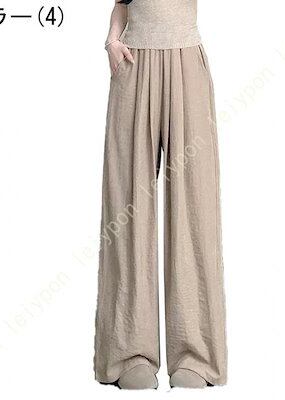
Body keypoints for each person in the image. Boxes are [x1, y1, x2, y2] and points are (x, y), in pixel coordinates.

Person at [94, 0, 227, 390]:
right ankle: (129, 353)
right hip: (133, 61)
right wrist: (111, 40)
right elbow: (122, 5)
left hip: (186, 58)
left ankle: (195, 355)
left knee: (195, 207)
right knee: (127, 205)